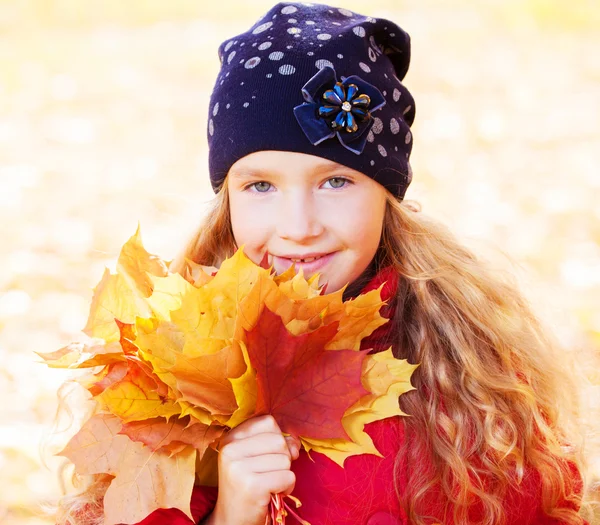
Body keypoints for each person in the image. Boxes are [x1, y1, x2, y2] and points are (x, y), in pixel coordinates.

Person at [54, 3, 592, 525]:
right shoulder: (175, 358)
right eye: (261, 185)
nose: (299, 225)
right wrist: (230, 514)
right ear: (229, 197)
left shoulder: (467, 367)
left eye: (336, 181)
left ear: (386, 191)